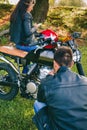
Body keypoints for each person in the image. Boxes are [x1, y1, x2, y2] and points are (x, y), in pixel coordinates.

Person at [33, 46, 87, 130]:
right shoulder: (85, 81)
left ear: (54, 63)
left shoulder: (46, 83)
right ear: (72, 63)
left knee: (37, 104)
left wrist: (48, 78)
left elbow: (40, 99)